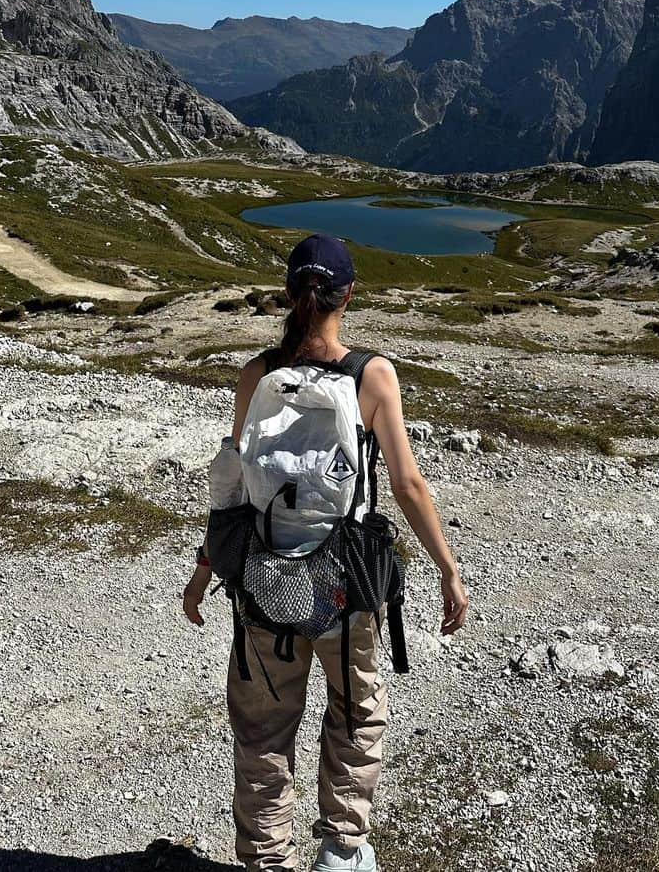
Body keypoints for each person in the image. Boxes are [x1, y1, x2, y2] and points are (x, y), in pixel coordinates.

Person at [183, 233, 469, 872]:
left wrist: (204, 572)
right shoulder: (372, 374)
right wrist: (448, 570)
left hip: (262, 580)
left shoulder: (256, 376)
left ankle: (266, 859)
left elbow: (231, 485)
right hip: (346, 586)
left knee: (262, 730)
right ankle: (341, 850)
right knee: (355, 711)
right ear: (348, 294)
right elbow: (406, 484)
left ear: (288, 294)